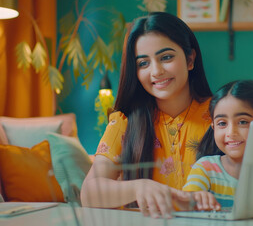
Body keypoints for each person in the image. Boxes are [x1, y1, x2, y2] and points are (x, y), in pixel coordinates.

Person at [81, 12, 213, 219]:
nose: (156, 71)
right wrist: (139, 187)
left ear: (190, 59)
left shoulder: (221, 117)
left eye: (166, 57)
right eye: (143, 63)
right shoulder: (124, 122)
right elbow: (89, 194)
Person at [182, 80, 253, 210]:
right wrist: (194, 199)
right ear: (213, 127)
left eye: (242, 122)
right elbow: (184, 203)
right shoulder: (205, 168)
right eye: (222, 123)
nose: (231, 133)